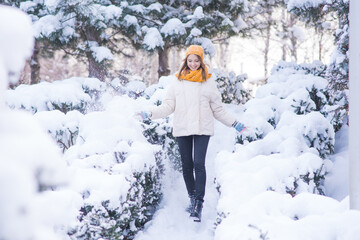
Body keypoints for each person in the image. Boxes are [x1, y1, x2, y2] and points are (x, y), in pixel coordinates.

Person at [137, 45, 246, 222]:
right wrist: (149, 113)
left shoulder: (208, 81)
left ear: (201, 61)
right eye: (190, 60)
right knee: (187, 166)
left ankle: (199, 204)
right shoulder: (177, 81)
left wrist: (235, 123)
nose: (193, 64)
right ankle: (192, 198)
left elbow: (218, 110)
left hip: (202, 128)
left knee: (198, 164)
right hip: (182, 128)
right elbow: (168, 107)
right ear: (185, 61)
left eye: (196, 61)